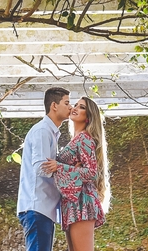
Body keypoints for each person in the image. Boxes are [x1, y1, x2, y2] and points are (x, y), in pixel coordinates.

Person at [42, 97, 111, 251]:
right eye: (76, 105)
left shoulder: (85, 138)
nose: (75, 108)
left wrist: (59, 166)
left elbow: (91, 172)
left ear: (88, 117)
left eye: (81, 107)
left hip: (82, 201)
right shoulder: (76, 139)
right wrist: (67, 168)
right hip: (71, 202)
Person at [18, 87, 70, 251]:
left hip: (43, 208)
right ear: (54, 105)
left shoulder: (49, 132)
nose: (70, 107)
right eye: (67, 103)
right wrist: (64, 169)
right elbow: (41, 167)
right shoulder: (42, 131)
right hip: (37, 206)